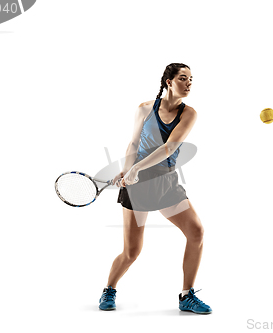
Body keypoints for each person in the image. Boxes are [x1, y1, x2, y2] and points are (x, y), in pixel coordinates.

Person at [98, 63, 212, 314]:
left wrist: (136, 169)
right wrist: (129, 170)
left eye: (191, 79)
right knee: (132, 252)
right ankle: (109, 289)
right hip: (138, 187)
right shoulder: (144, 108)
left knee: (196, 232)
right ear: (168, 82)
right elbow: (134, 142)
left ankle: (186, 296)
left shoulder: (189, 113)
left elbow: (170, 147)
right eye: (183, 78)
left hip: (166, 182)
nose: (189, 83)